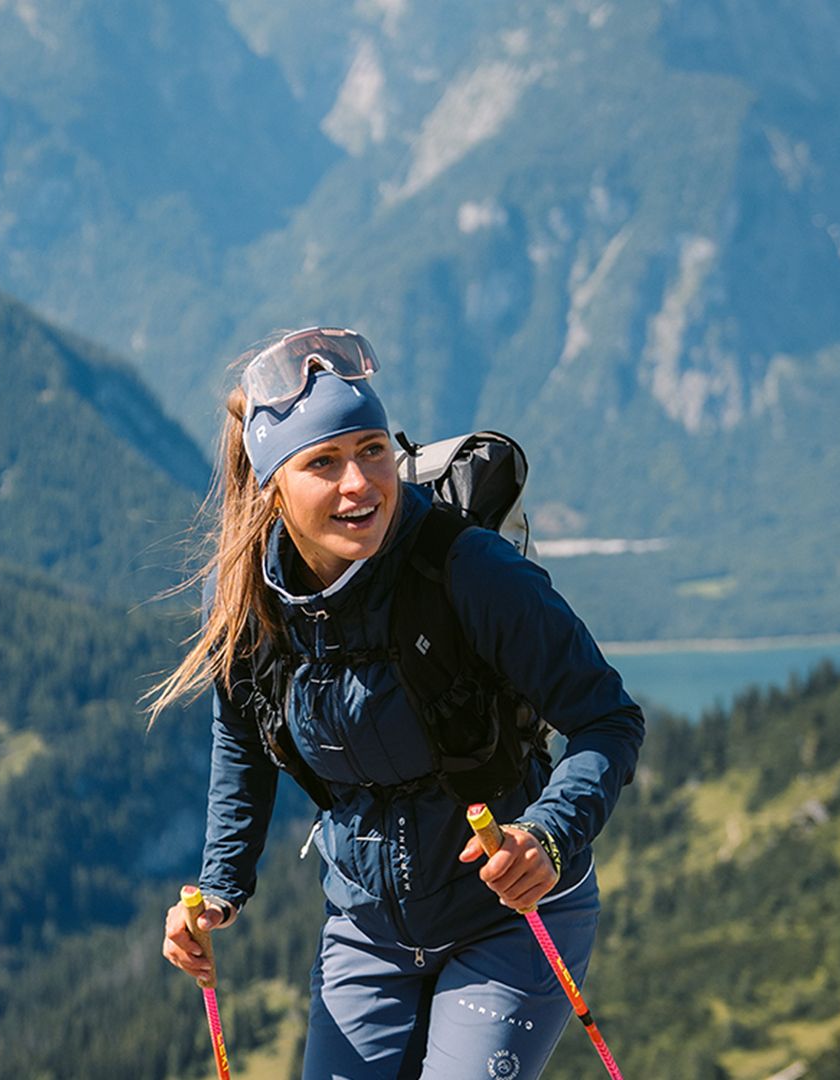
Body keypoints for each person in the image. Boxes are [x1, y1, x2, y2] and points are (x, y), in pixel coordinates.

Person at [148, 327, 645, 1079]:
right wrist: (218, 889)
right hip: (367, 931)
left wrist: (545, 835)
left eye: (373, 449)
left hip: (508, 917)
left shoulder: (470, 570)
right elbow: (243, 742)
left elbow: (608, 719)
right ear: (273, 484)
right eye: (323, 462)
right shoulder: (252, 600)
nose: (361, 483)